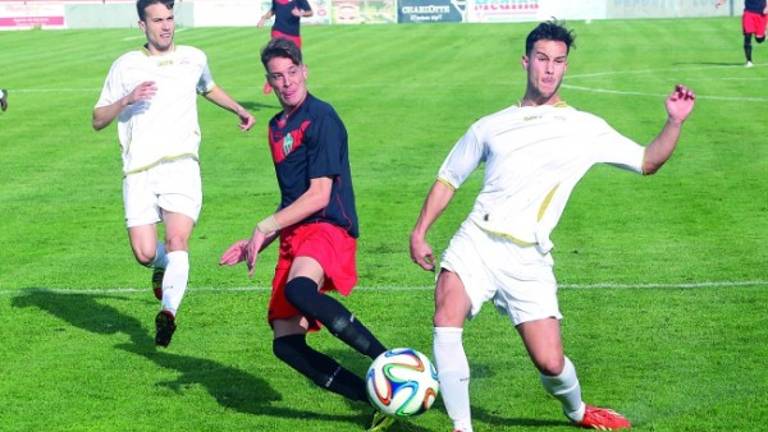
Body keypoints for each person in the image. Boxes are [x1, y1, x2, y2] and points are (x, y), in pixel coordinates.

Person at [409, 21, 695, 432]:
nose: (549, 69)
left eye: (558, 61)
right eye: (542, 59)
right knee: (446, 317)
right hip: (477, 241)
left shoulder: (585, 127)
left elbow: (647, 161)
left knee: (551, 362)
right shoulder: (489, 125)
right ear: (526, 61)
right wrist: (420, 231)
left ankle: (578, 410)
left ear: (565, 68)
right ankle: (462, 427)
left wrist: (674, 122)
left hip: (528, 257)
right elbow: (449, 178)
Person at [219, 38, 393, 432]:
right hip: (293, 235)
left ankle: (390, 362)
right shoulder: (276, 126)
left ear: (304, 71)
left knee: (300, 291)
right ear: (269, 81)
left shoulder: (322, 118)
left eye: (292, 73)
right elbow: (291, 197)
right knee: (285, 343)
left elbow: (319, 195)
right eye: (277, 77)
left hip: (328, 226)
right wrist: (256, 241)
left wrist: (265, 225)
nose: (286, 83)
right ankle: (374, 398)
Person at [92, 0, 255, 348]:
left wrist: (238, 109)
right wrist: (125, 100)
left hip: (182, 163)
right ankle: (161, 266)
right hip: (138, 169)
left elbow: (207, 87)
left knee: (179, 239)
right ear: (142, 25)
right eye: (157, 20)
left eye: (169, 18)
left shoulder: (194, 57)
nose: (166, 26)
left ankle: (168, 311)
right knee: (145, 253)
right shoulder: (126, 66)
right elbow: (97, 119)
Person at [257, 0, 312, 93]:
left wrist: (300, 13)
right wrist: (263, 18)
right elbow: (273, 10)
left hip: (294, 34)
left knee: (296, 61)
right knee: (275, 57)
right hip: (278, 31)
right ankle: (271, 79)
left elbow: (310, 12)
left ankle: (301, 88)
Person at [717, 0, 768, 67]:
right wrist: (722, 1)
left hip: (761, 14)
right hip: (748, 13)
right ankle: (749, 61)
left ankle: (765, 34)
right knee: (747, 36)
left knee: (759, 39)